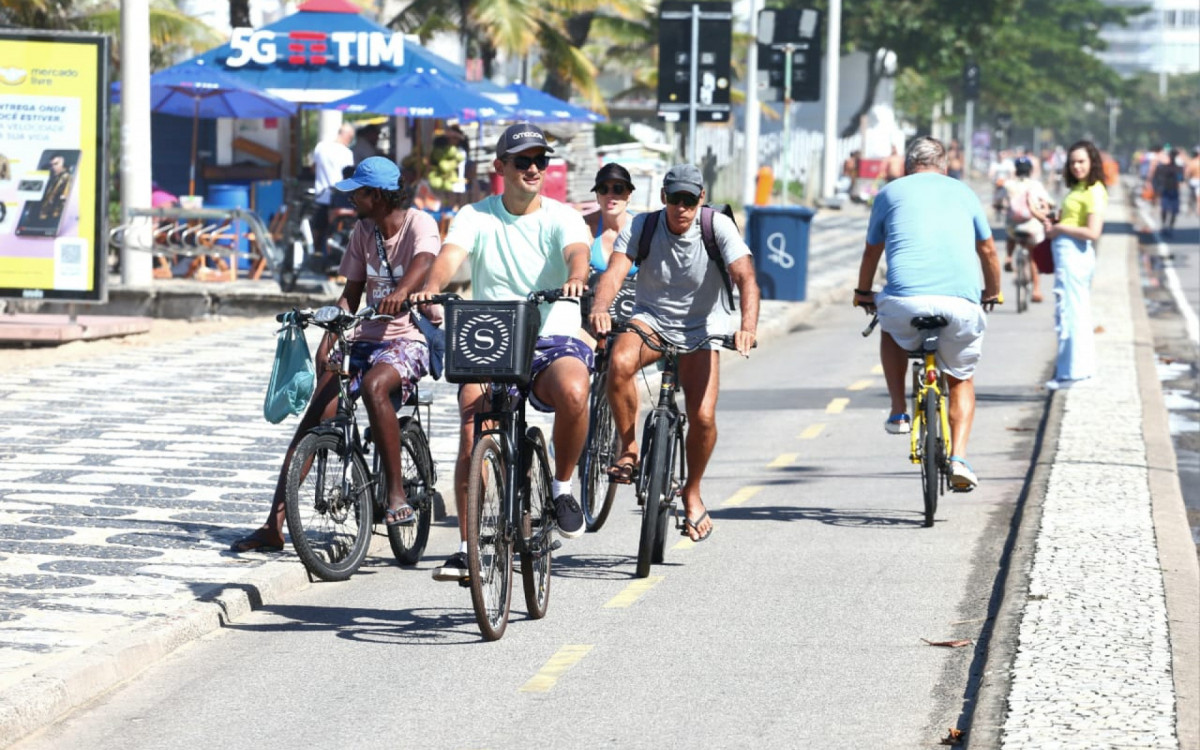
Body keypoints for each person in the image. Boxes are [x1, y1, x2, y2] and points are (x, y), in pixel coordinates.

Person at [410, 122, 593, 582]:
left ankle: (562, 488)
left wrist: (576, 278)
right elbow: (450, 256)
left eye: (540, 160)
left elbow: (576, 252)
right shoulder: (475, 215)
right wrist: (432, 287)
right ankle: (467, 548)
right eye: (523, 161)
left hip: (551, 336)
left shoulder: (563, 216)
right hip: (492, 336)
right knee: (472, 429)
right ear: (501, 167)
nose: (534, 168)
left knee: (575, 390)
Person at [230, 157, 441, 553]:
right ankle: (274, 525)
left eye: (357, 193)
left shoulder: (419, 223)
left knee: (376, 387)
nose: (351, 200)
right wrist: (332, 332)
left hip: (407, 338)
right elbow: (351, 294)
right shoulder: (363, 231)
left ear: (376, 195)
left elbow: (424, 261)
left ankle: (396, 495)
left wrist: (402, 293)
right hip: (365, 336)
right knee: (315, 416)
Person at [589, 164, 760, 542]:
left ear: (701, 198)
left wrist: (747, 328)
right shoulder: (644, 226)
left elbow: (746, 277)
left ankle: (693, 492)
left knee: (703, 416)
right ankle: (629, 448)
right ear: (663, 197)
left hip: (704, 327)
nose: (681, 208)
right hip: (651, 320)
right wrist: (601, 307)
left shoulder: (717, 227)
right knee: (619, 362)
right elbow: (615, 272)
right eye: (675, 199)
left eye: (689, 200)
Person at [853, 136, 1001, 492]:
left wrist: (862, 292)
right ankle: (960, 458)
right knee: (961, 378)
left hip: (906, 303)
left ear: (907, 167)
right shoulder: (965, 193)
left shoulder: (889, 193)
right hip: (960, 306)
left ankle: (898, 411)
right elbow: (988, 250)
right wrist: (992, 291)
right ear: (944, 166)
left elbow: (872, 251)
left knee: (890, 326)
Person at [1044, 140, 1107, 390]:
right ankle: (1071, 370)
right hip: (1066, 254)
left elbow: (1093, 232)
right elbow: (1073, 220)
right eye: (1072, 163)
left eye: (1081, 161)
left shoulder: (1094, 190)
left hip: (1075, 256)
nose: (1077, 166)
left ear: (1092, 162)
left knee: (1072, 312)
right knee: (1068, 311)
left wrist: (1060, 228)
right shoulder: (1078, 188)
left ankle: (1074, 373)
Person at [1002, 155, 1054, 303]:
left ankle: (1009, 257)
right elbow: (1049, 202)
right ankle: (1036, 290)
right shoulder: (1036, 185)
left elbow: (1001, 201)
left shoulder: (1009, 184)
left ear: (1016, 170)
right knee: (1033, 258)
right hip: (1032, 226)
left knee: (1010, 233)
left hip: (1014, 227)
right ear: (1030, 170)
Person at [311, 123, 355, 258]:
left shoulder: (320, 147)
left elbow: (313, 167)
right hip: (339, 198)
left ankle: (316, 254)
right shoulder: (347, 153)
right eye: (351, 138)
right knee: (336, 229)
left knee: (318, 229)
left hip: (321, 195)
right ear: (348, 136)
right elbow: (349, 174)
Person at [1152, 147, 1182, 236]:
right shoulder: (1164, 167)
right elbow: (1157, 178)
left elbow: (1180, 179)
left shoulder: (1177, 168)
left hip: (1172, 190)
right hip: (1167, 190)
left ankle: (1169, 227)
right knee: (1166, 210)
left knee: (1172, 211)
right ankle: (1166, 226)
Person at [38, 155, 71, 223]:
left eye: (56, 164)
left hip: (55, 214)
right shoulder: (54, 176)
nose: (53, 167)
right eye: (52, 165)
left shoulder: (67, 177)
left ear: (62, 163)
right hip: (46, 212)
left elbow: (64, 197)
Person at [1185, 147, 1200, 215]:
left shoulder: (1192, 162)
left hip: (1193, 180)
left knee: (1192, 196)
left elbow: (1187, 172)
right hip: (1196, 181)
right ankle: (1198, 209)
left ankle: (1191, 209)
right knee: (1198, 197)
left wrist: (1187, 180)